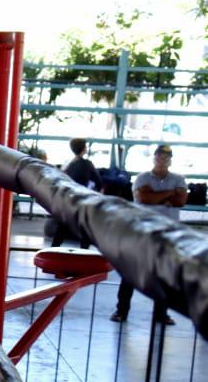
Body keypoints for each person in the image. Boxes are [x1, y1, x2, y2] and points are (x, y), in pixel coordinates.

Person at [112, 144, 186, 325]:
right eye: (160, 157)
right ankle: (121, 310)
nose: (163, 160)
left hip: (168, 235)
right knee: (130, 273)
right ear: (154, 158)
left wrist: (155, 194)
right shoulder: (142, 177)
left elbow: (180, 201)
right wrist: (169, 194)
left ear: (170, 160)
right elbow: (144, 199)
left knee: (164, 276)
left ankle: (161, 314)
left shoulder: (179, 179)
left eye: (166, 157)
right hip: (142, 232)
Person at [49, 138, 102, 247]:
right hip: (81, 199)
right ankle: (83, 251)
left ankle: (54, 248)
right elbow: (98, 182)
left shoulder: (68, 164)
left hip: (66, 198)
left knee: (62, 226)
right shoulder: (86, 164)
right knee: (85, 226)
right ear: (84, 149)